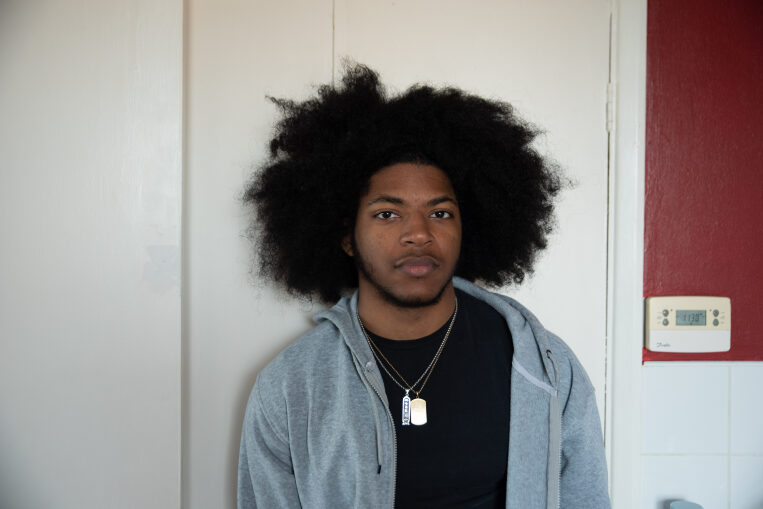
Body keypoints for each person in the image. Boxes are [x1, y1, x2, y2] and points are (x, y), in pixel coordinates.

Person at [238, 64, 610, 509]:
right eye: (387, 214)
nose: (418, 233)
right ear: (345, 237)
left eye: (440, 213)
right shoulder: (290, 386)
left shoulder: (544, 368)